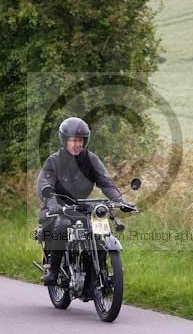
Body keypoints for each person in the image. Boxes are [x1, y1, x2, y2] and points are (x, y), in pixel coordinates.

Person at [36, 117, 135, 284]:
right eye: (73, 140)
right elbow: (44, 184)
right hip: (57, 206)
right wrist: (52, 202)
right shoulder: (54, 161)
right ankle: (53, 271)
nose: (77, 144)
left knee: (100, 226)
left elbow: (106, 183)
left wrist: (121, 200)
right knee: (61, 224)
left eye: (80, 141)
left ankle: (95, 272)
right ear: (65, 141)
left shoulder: (91, 159)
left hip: (82, 206)